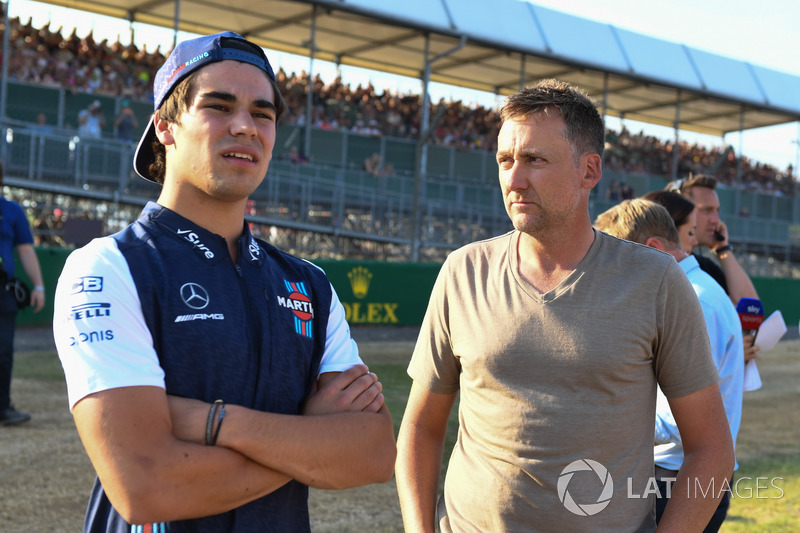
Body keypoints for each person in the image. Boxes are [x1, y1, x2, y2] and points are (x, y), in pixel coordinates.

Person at [53, 31, 395, 532]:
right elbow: (146, 487)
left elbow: (373, 454)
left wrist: (212, 422)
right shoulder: (107, 267)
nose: (245, 126)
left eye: (262, 113)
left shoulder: (310, 285)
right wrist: (309, 443)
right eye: (219, 106)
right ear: (165, 128)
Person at [395, 79, 733, 532]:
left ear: (588, 171)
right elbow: (421, 428)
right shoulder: (463, 271)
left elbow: (711, 448)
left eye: (535, 160)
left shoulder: (655, 282)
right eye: (505, 160)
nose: (514, 179)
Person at [594, 198, 745, 532]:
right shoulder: (690, 293)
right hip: (676, 474)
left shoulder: (695, 300)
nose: (612, 272)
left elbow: (682, 421)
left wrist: (600, 420)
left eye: (619, 258)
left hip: (676, 479)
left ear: (652, 248)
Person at [665, 175, 761, 361]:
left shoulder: (703, 267)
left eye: (717, 211)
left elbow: (750, 308)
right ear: (680, 212)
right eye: (707, 211)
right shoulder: (654, 263)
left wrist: (723, 249)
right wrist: (726, 350)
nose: (716, 220)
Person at [0, 161, 46, 425]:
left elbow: (26, 250)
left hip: (3, 290)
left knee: (3, 351)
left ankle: (3, 407)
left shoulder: (12, 211)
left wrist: (38, 286)